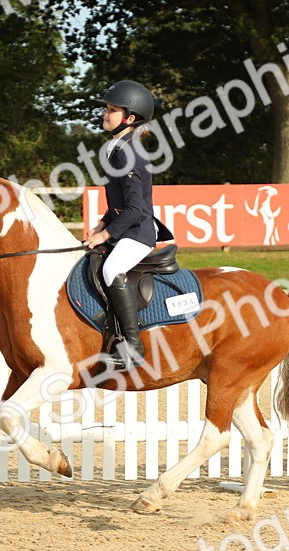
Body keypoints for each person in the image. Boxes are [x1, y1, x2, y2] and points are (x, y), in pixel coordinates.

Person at [82, 80, 174, 370]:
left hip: (138, 233)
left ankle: (133, 346)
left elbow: (136, 209)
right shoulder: (116, 147)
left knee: (111, 269)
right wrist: (101, 224)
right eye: (107, 109)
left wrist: (107, 234)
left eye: (111, 110)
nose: (105, 114)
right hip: (125, 227)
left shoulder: (129, 151)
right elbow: (119, 203)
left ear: (129, 118)